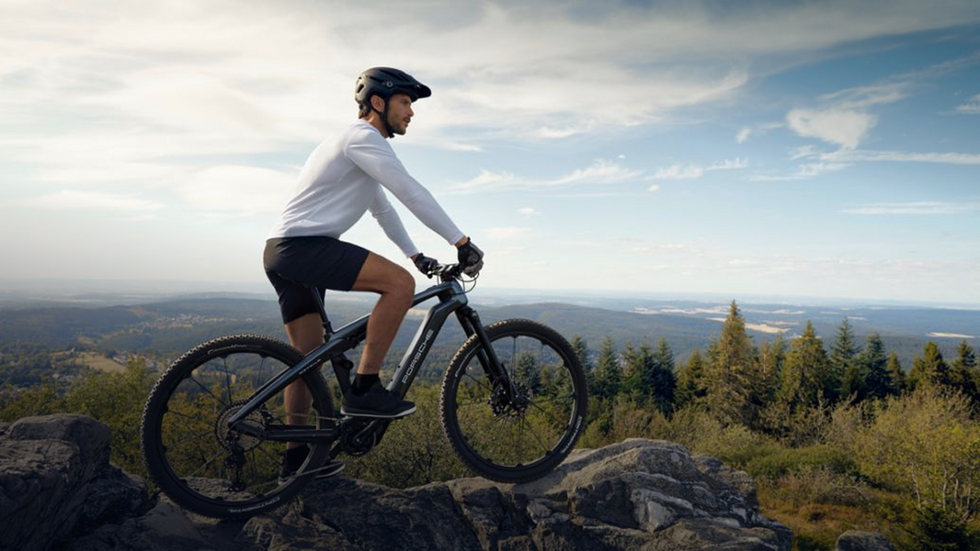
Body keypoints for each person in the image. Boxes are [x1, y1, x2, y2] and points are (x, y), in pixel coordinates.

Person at [264, 67, 484, 481]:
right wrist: (460, 241)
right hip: (305, 248)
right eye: (406, 102)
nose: (412, 113)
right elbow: (411, 191)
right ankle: (366, 390)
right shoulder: (364, 138)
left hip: (282, 252)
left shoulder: (354, 147)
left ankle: (295, 462)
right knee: (399, 285)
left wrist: (415, 254)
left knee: (307, 364)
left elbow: (381, 207)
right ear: (378, 103)